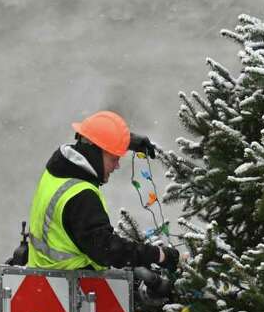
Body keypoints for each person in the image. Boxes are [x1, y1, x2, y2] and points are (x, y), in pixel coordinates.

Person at [25, 110, 178, 273]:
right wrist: (159, 255)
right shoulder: (82, 196)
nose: (117, 166)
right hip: (73, 288)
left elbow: (94, 141)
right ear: (95, 155)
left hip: (43, 279)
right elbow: (108, 250)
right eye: (114, 159)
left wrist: (127, 141)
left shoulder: (59, 170)